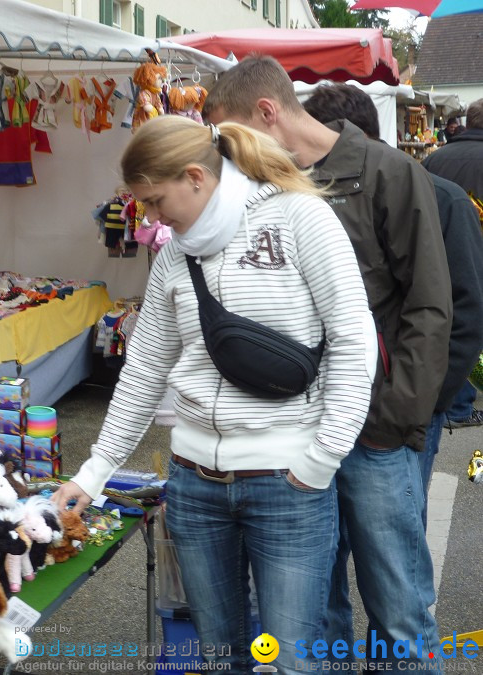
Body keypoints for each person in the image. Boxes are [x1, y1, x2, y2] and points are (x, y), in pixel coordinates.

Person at [53, 115, 374, 674]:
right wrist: (94, 470)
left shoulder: (300, 217)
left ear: (196, 177)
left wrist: (322, 457)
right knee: (221, 658)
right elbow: (145, 366)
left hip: (289, 483)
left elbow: (354, 340)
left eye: (155, 201)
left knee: (295, 663)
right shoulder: (176, 255)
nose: (152, 219)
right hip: (194, 485)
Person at [203, 56, 452, 671]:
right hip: (291, 433)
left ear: (267, 113)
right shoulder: (256, 186)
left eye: (232, 133)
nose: (226, 150)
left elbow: (429, 303)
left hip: (373, 430)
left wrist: (396, 414)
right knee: (311, 611)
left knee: (398, 607)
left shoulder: (388, 171)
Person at [303, 83, 483, 524]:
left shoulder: (436, 188)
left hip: (402, 404)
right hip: (342, 403)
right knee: (340, 539)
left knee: (394, 540)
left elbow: (463, 307)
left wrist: (421, 401)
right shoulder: (310, 193)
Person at [423, 99, 483, 428]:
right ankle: (460, 406)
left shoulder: (435, 159)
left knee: (456, 324)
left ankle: (456, 401)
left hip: (444, 252)